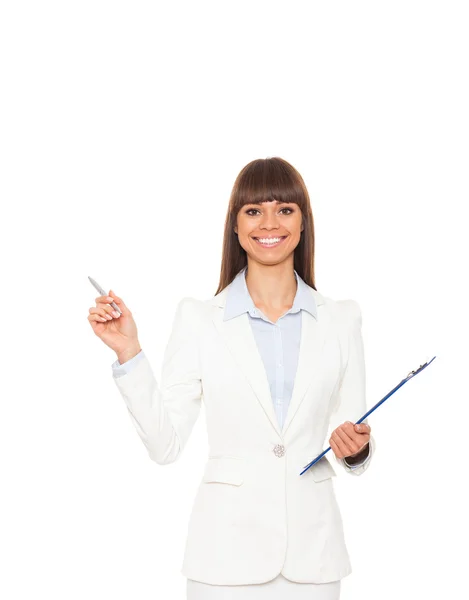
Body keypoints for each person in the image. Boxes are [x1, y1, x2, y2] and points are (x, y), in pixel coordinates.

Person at [88, 156, 376, 599]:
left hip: (313, 561)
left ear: (303, 224)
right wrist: (129, 352)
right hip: (223, 559)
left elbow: (350, 433)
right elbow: (166, 446)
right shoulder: (199, 318)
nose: (269, 223)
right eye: (253, 210)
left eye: (285, 209)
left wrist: (357, 451)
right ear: (236, 227)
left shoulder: (341, 319)